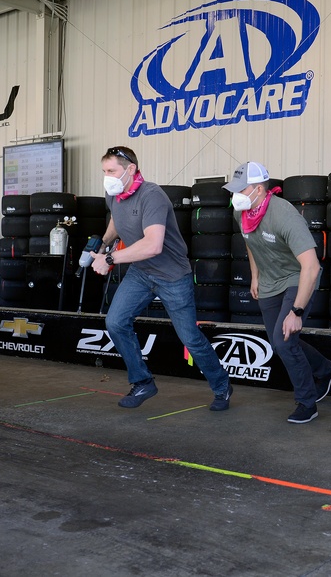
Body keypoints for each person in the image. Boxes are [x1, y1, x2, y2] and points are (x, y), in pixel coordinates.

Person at [89, 146, 233, 410]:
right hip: (141, 272)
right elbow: (116, 222)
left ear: (130, 169)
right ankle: (143, 382)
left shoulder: (152, 196)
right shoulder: (115, 193)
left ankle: (222, 387)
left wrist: (109, 259)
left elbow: (153, 245)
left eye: (111, 171)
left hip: (172, 275)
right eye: (104, 171)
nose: (106, 176)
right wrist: (102, 245)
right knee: (116, 322)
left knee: (189, 337)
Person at [223, 162, 331, 423]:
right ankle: (326, 368)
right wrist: (256, 275)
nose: (236, 196)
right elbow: (249, 240)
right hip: (269, 282)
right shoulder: (241, 212)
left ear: (260, 189)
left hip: (297, 277)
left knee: (284, 340)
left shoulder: (284, 215)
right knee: (279, 342)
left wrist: (296, 311)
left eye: (242, 190)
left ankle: (307, 402)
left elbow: (311, 266)